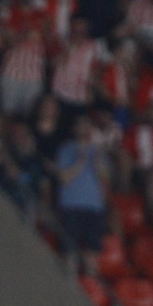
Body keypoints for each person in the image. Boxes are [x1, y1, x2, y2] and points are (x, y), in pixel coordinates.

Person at [54, 114, 110, 272]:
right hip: (71, 206)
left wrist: (96, 160)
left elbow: (105, 179)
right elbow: (64, 178)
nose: (85, 129)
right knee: (68, 251)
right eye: (81, 125)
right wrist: (80, 162)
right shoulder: (66, 149)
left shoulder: (98, 152)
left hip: (94, 207)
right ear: (75, 129)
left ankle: (90, 283)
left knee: (92, 252)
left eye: (88, 126)